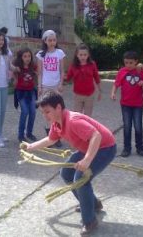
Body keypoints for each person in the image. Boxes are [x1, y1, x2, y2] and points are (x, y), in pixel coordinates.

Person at [24, 91, 116, 236]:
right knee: (65, 173)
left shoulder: (73, 120)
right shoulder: (56, 123)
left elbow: (96, 136)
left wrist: (86, 160)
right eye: (43, 112)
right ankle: (92, 204)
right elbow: (51, 139)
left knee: (80, 179)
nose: (45, 116)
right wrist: (31, 147)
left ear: (59, 108)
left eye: (47, 111)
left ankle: (90, 220)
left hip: (105, 148)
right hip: (88, 147)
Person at [110, 51, 143, 157]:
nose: (128, 65)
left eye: (131, 63)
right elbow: (116, 84)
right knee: (127, 126)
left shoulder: (140, 71)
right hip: (125, 104)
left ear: (136, 62)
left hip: (138, 104)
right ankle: (127, 148)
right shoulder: (122, 71)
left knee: (138, 126)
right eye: (126, 62)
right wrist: (113, 93)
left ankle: (140, 148)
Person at [36, 30, 65, 147]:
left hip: (56, 86)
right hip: (45, 86)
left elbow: (62, 70)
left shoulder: (60, 53)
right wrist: (39, 87)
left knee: (58, 111)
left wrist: (61, 83)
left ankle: (57, 136)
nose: (52, 42)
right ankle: (50, 137)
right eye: (50, 40)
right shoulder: (40, 55)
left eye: (54, 40)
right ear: (45, 41)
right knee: (47, 112)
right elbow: (39, 73)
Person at [66, 44, 101, 117]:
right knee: (77, 116)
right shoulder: (73, 65)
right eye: (81, 55)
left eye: (85, 55)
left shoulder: (92, 64)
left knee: (87, 117)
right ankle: (77, 129)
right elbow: (68, 78)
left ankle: (86, 128)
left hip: (89, 95)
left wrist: (99, 91)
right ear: (77, 55)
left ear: (88, 55)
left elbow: (97, 77)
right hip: (78, 95)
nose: (83, 57)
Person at [13, 48, 37, 142]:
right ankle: (20, 135)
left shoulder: (33, 67)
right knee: (25, 112)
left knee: (33, 112)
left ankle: (29, 133)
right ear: (21, 57)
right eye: (25, 56)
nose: (27, 58)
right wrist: (14, 78)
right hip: (21, 92)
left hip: (31, 92)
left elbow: (39, 72)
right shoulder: (18, 68)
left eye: (29, 56)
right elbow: (12, 72)